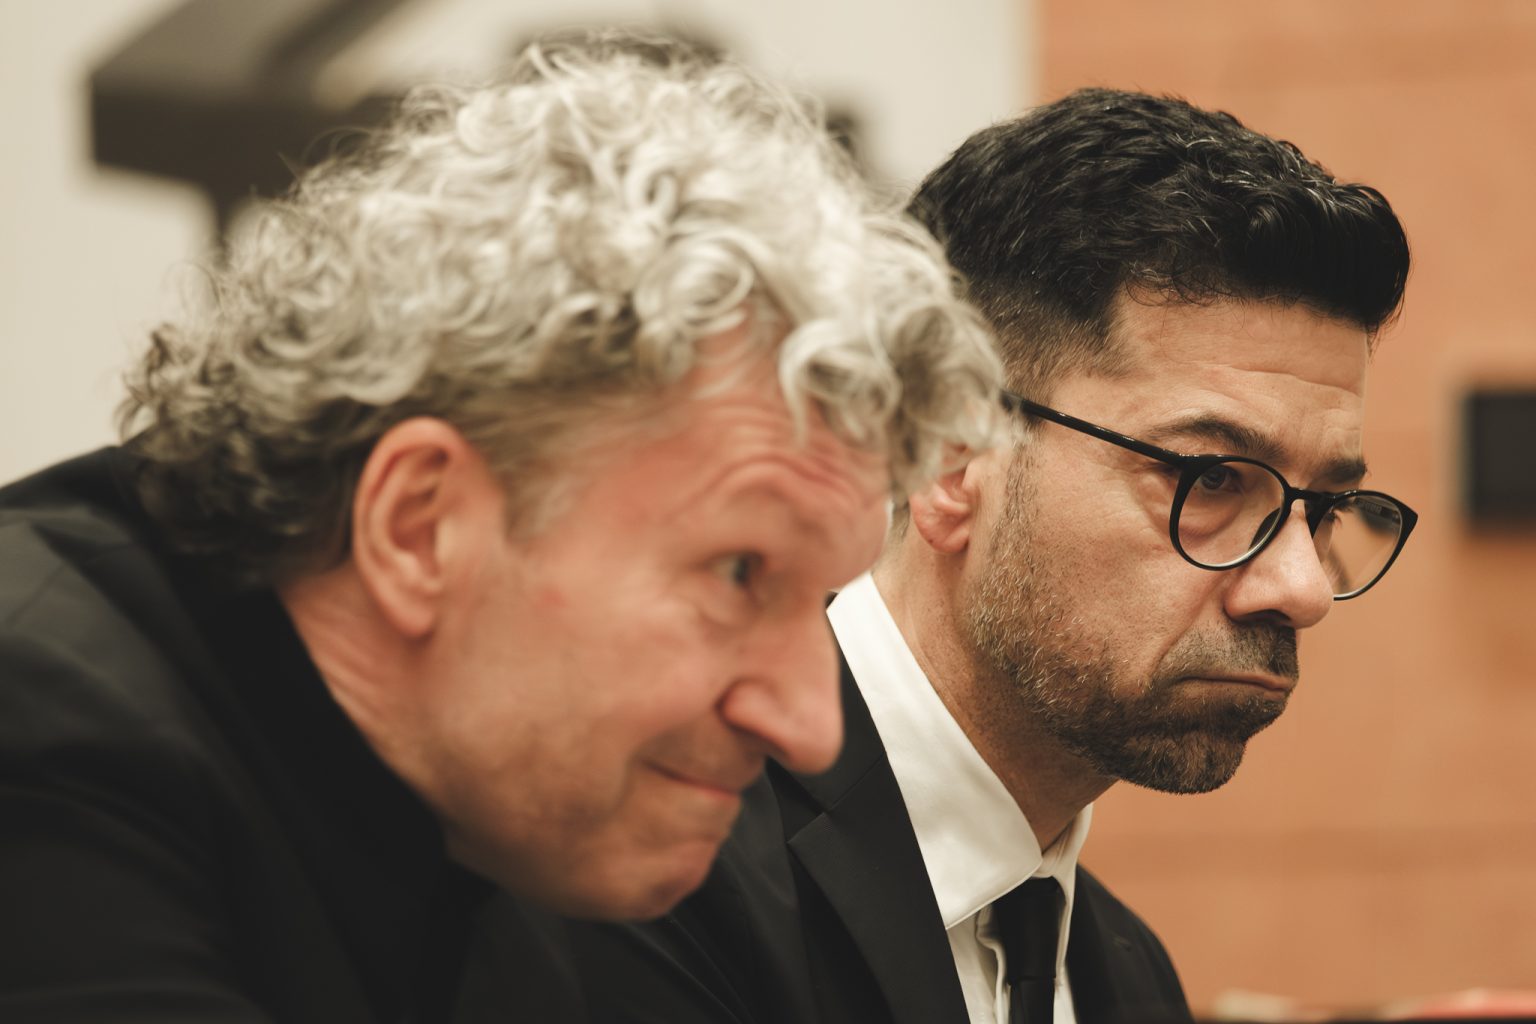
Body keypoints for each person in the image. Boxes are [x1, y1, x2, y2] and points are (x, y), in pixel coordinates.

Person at [0, 33, 1003, 1023]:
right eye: (739, 573)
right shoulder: (44, 740)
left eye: (819, 598)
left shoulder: (505, 850)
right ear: (418, 525)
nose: (810, 724)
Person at [563, 87, 1415, 1024]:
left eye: (1325, 509)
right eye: (1211, 479)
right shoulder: (651, 868)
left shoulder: (1129, 977)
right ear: (949, 453)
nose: (1301, 586)